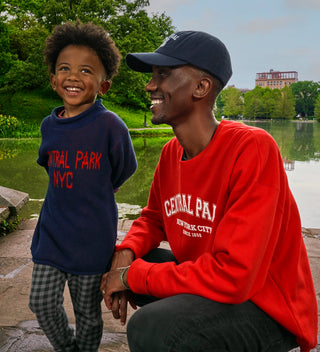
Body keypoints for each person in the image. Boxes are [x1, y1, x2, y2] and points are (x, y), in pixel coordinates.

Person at [100, 31, 318, 352]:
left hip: (264, 304)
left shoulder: (253, 148)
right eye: (152, 76)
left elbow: (234, 275)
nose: (150, 85)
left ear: (201, 88)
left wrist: (133, 277)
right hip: (214, 280)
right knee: (102, 259)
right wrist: (125, 255)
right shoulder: (171, 153)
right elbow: (154, 218)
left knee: (152, 327)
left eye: (164, 75)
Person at [29, 21, 137, 352]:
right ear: (53, 79)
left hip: (92, 241)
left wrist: (99, 189)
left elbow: (124, 168)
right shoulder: (49, 125)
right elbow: (49, 164)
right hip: (51, 236)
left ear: (103, 84)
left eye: (86, 70)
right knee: (41, 302)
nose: (74, 76)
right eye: (65, 68)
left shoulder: (110, 126)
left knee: (88, 316)